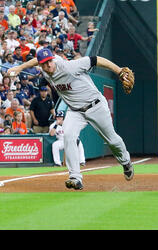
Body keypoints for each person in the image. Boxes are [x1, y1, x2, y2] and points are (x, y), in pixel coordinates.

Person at [8, 48, 135, 190]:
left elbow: (96, 59)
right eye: (45, 63)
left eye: (50, 61)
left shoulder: (69, 67)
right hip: (75, 111)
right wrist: (19, 67)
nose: (48, 65)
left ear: (53, 59)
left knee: (112, 140)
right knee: (68, 135)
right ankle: (75, 177)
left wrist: (118, 71)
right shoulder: (44, 69)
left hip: (95, 105)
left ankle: (126, 161)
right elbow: (36, 60)